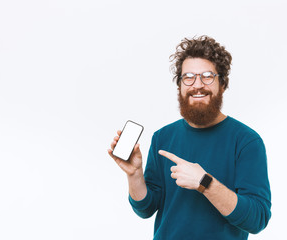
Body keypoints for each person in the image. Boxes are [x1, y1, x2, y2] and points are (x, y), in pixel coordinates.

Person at [108, 35, 271, 239]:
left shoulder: (246, 141)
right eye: (189, 77)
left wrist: (204, 183)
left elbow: (257, 220)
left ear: (222, 84)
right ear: (180, 85)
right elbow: (146, 208)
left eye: (207, 76)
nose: (197, 84)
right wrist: (134, 175)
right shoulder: (162, 137)